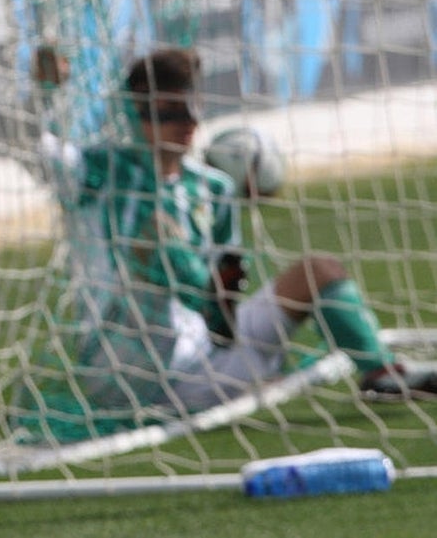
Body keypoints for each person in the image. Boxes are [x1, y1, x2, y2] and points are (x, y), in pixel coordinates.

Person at [34, 46, 437, 421]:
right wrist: (45, 93)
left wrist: (221, 309)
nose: (188, 123)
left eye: (192, 108)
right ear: (135, 116)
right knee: (156, 232)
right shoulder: (99, 171)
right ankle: (241, 364)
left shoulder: (211, 187)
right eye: (169, 112)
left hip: (206, 351)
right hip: (127, 369)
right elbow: (39, 151)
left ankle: (383, 375)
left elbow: (228, 283)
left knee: (319, 272)